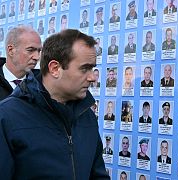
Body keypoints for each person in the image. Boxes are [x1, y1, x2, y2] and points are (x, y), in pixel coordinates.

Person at [0, 29, 108, 178]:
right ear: (55, 68)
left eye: (92, 68)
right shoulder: (7, 116)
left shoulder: (86, 116)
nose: (92, 77)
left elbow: (98, 175)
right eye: (85, 68)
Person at [0, 26, 41, 101]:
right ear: (11, 50)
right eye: (30, 50)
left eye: (39, 51)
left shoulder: (42, 83)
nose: (37, 57)